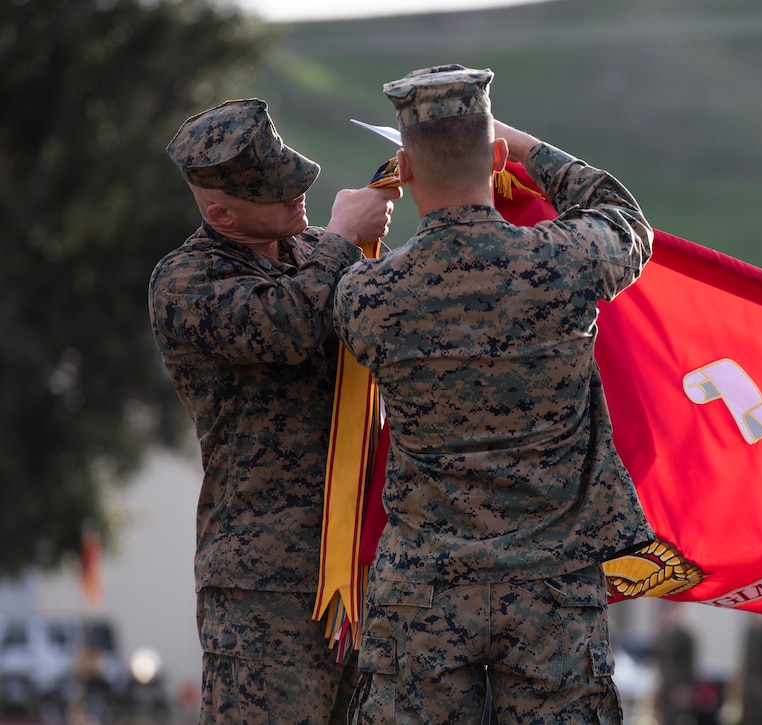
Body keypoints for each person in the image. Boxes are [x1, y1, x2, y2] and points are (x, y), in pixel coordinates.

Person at [333, 64, 656, 723]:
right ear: (499, 158)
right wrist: (531, 149)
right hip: (551, 590)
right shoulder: (560, 261)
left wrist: (337, 235)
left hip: (423, 592)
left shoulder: (367, 295)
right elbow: (624, 218)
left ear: (404, 171)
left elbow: (326, 297)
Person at [148, 98, 400, 724]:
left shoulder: (312, 253)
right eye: (278, 192)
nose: (298, 198)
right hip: (266, 581)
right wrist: (344, 241)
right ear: (221, 213)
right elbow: (286, 325)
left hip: (363, 563)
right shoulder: (186, 280)